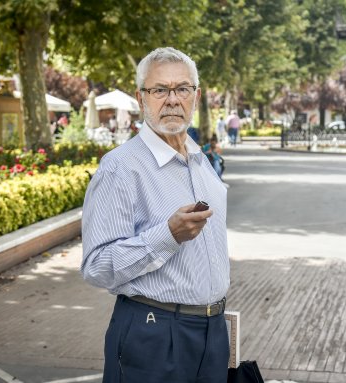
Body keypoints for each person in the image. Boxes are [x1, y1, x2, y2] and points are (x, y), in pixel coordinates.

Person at [81, 47, 230, 383]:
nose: (172, 99)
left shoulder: (201, 160)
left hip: (212, 332)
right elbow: (97, 268)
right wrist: (167, 235)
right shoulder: (121, 168)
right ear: (141, 98)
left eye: (182, 89)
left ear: (197, 96)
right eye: (159, 90)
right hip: (154, 334)